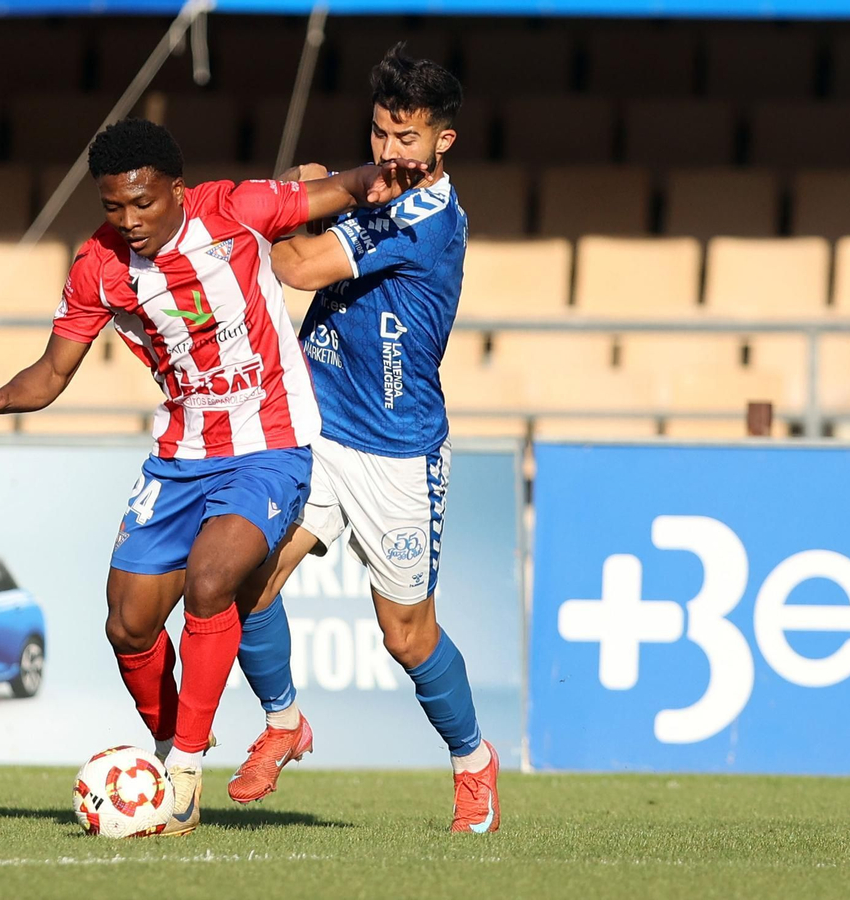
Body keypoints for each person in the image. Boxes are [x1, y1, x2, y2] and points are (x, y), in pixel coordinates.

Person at [0, 118, 426, 836]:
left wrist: (377, 177)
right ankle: (169, 746)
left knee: (211, 578)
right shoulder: (97, 268)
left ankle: (184, 776)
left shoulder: (234, 211)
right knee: (128, 622)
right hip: (179, 457)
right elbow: (52, 371)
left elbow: (334, 190)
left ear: (176, 188)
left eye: (143, 203)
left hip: (271, 444)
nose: (129, 221)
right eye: (113, 207)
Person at [225, 44, 499, 833]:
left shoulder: (428, 217)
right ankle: (283, 724)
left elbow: (300, 267)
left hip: (396, 450)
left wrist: (276, 213)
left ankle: (474, 762)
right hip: (317, 426)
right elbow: (323, 189)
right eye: (379, 133)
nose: (388, 151)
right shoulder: (373, 182)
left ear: (444, 141)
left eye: (406, 138)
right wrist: (316, 190)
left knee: (404, 635)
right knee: (245, 578)